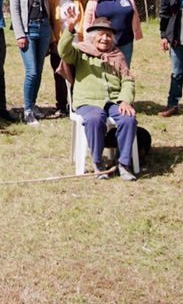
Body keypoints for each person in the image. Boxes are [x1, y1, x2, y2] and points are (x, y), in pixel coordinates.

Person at [58, 17, 139, 181]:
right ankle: (98, 163)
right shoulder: (80, 52)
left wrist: (124, 100)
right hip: (88, 101)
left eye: (109, 35)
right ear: (92, 37)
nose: (105, 38)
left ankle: (123, 163)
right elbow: (63, 51)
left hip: (114, 101)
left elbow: (128, 80)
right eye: (101, 35)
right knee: (95, 119)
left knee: (128, 118)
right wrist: (70, 28)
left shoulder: (117, 55)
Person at [8, 0, 65, 125]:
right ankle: (26, 110)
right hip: (28, 31)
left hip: (43, 29)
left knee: (39, 70)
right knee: (31, 71)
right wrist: (19, 34)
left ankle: (32, 105)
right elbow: (14, 9)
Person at [46, 0, 94, 119]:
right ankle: (61, 106)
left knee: (78, 75)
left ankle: (77, 103)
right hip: (60, 44)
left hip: (78, 43)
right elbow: (49, 21)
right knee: (59, 75)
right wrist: (53, 40)